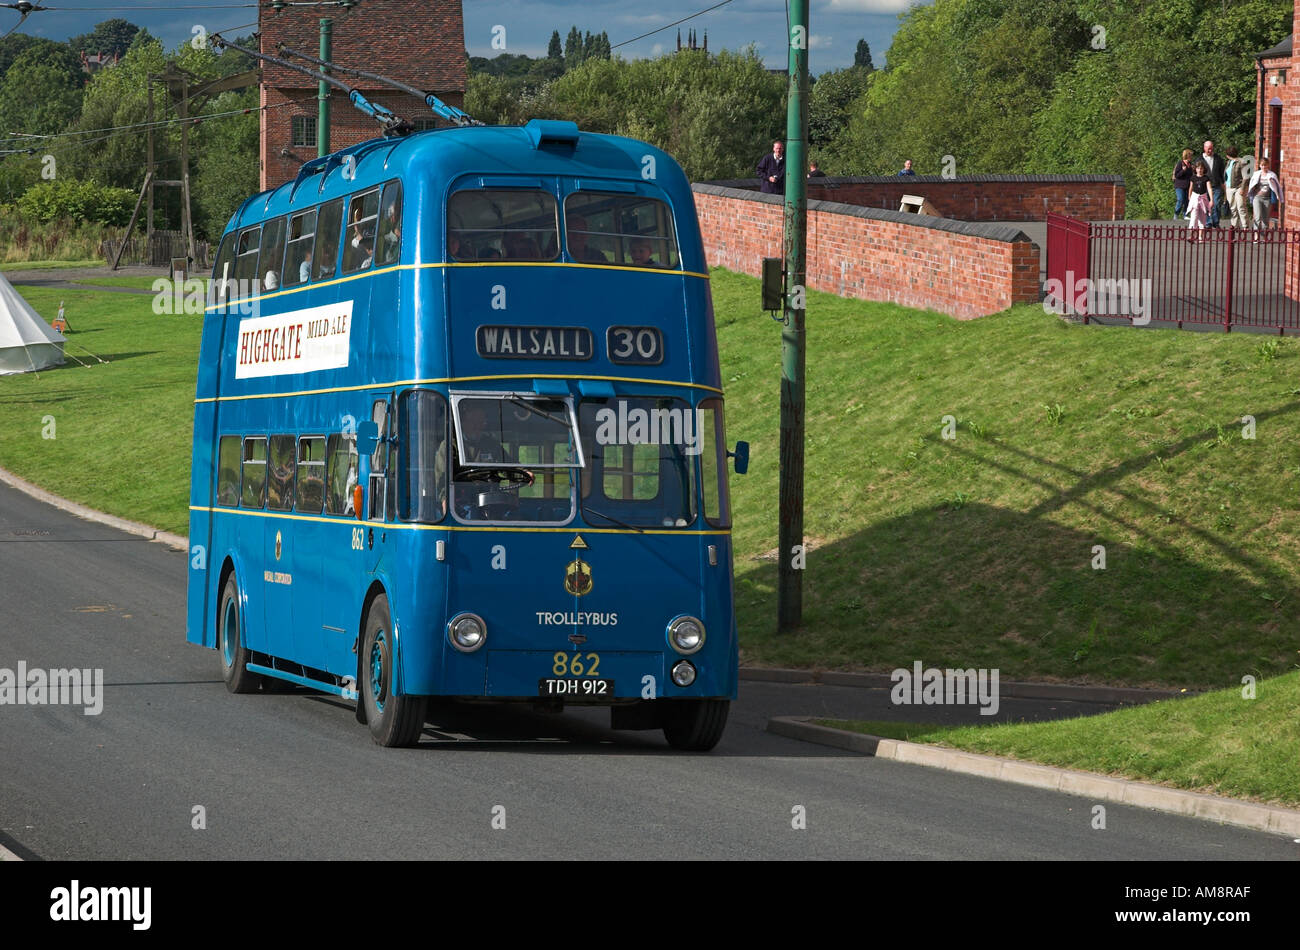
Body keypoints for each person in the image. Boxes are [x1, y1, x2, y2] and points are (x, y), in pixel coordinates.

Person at [1248, 157, 1284, 232]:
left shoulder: (1272, 175)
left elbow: (1278, 187)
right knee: (1257, 217)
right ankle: (1256, 235)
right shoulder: (1256, 174)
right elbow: (1251, 185)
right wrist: (1250, 192)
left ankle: (1264, 236)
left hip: (1267, 198)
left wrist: (1280, 198)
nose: (1264, 167)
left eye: (1266, 165)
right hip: (1257, 197)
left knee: (1265, 218)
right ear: (1260, 165)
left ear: (1268, 165)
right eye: (1262, 165)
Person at [1222, 146, 1251, 229]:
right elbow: (1226, 174)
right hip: (1229, 187)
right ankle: (1234, 226)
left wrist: (1242, 188)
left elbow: (1246, 177)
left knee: (1241, 206)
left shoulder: (1242, 162)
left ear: (1228, 154)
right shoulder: (1228, 162)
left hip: (1239, 187)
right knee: (1233, 208)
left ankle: (1245, 226)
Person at [1200, 140, 1224, 227]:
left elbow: (1221, 172)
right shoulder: (1199, 160)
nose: (1210, 151)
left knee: (1216, 204)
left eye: (1211, 149)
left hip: (1216, 185)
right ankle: (1208, 222)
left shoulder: (1218, 158)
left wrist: (1222, 182)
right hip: (1204, 186)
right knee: (1206, 205)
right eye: (1208, 149)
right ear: (1204, 148)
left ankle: (1216, 222)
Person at [1187, 160, 1213, 240]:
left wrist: (1211, 199)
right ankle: (1191, 235)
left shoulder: (1206, 178)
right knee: (1194, 217)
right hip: (1195, 197)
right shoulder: (1193, 177)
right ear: (1195, 169)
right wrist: (1189, 197)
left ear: (1203, 169)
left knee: (1202, 217)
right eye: (1198, 168)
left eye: (1201, 168)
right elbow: (1190, 188)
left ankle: (1200, 236)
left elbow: (1209, 188)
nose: (1200, 170)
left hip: (1203, 197)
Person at [1172, 149, 1194, 220]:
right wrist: (1183, 171)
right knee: (1180, 199)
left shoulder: (1190, 165)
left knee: (1187, 200)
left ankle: (1185, 214)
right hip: (1179, 186)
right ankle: (1176, 213)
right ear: (1187, 155)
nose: (1191, 157)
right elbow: (1176, 175)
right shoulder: (1180, 163)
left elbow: (1191, 176)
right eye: (1190, 155)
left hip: (1188, 186)